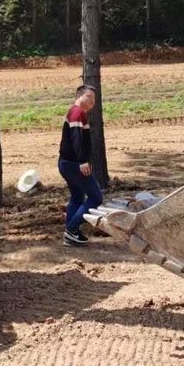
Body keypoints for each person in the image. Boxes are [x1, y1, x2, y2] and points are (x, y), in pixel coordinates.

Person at [58, 84, 104, 246]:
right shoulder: (77, 113)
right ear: (79, 96)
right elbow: (76, 140)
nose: (92, 101)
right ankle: (71, 229)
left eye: (94, 99)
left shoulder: (77, 113)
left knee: (77, 197)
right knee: (96, 197)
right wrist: (83, 162)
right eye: (89, 97)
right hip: (73, 164)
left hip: (67, 163)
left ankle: (71, 235)